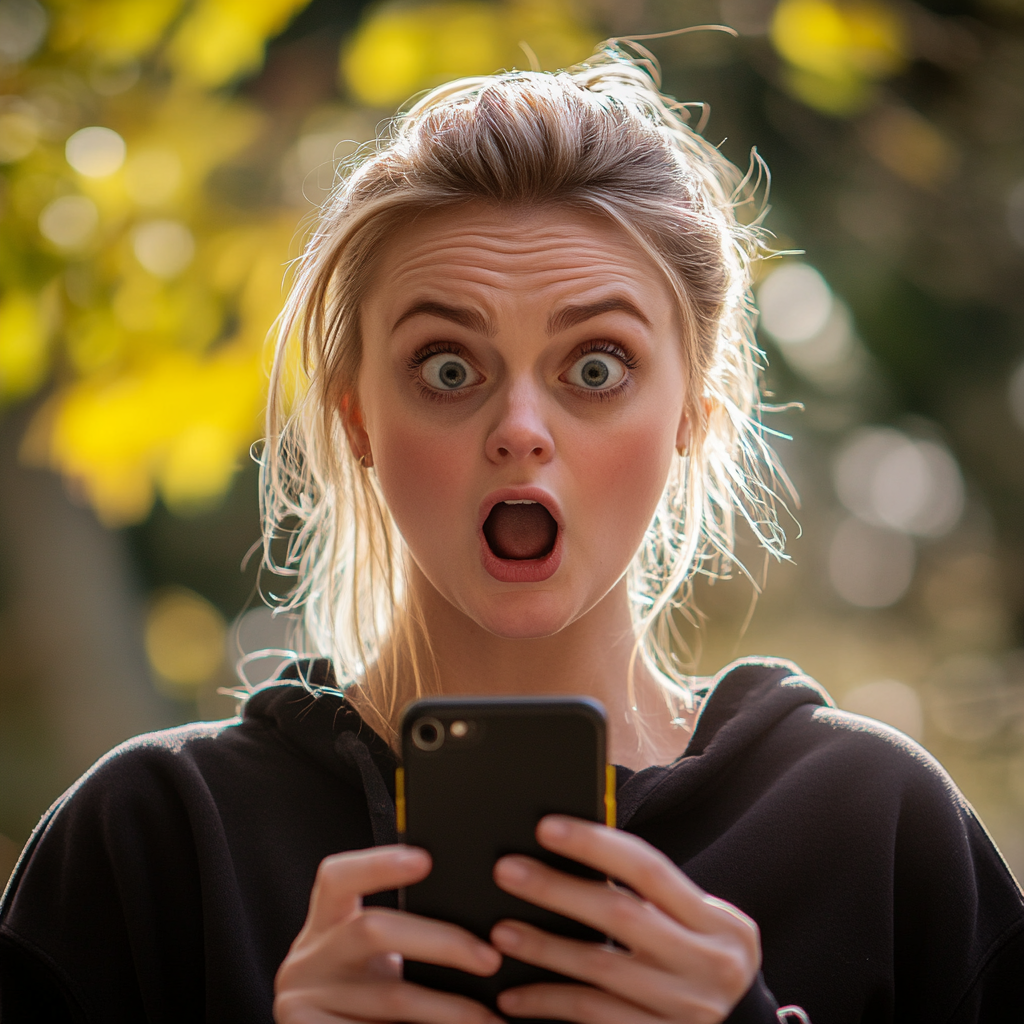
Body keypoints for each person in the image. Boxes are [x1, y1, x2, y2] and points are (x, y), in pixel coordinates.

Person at [1, 44, 1022, 1024]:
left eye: (595, 366)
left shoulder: (874, 828)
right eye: (448, 367)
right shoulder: (151, 843)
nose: (520, 431)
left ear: (692, 414)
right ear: (358, 418)